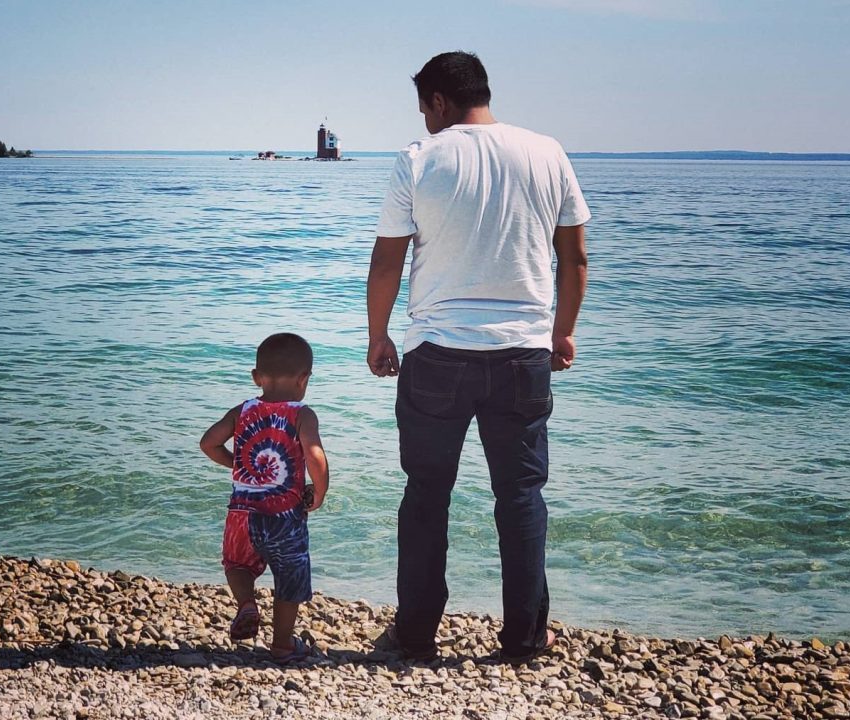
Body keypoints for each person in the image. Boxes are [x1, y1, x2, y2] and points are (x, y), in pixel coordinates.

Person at [366, 51, 590, 663]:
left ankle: (415, 637)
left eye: (425, 110)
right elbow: (573, 260)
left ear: (439, 101)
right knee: (520, 497)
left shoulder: (419, 158)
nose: (426, 123)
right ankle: (523, 641)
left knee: (426, 495)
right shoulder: (548, 152)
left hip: (438, 354)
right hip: (522, 353)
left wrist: (378, 336)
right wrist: (561, 332)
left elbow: (387, 261)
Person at [200, 332, 329, 663]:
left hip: (240, 512)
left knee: (237, 564)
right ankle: (282, 646)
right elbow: (313, 454)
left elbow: (208, 443)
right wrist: (320, 490)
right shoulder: (302, 414)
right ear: (305, 379)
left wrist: (239, 464)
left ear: (257, 378)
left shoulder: (242, 410)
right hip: (283, 516)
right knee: (289, 577)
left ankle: (246, 603)